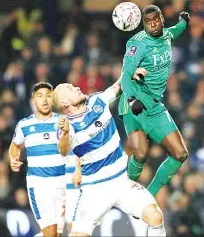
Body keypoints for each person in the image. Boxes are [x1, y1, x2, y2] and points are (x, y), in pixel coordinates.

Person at [51, 68, 166, 237]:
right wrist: (67, 133)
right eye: (70, 89)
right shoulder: (66, 126)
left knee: (155, 217)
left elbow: (116, 87)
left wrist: (130, 75)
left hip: (121, 182)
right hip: (94, 190)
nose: (76, 87)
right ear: (65, 104)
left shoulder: (97, 101)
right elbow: (63, 150)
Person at [118, 5, 191, 196]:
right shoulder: (137, 44)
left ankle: (147, 198)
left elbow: (176, 30)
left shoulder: (167, 35)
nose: (153, 25)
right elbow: (125, 75)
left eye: (156, 20)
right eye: (148, 22)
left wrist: (184, 21)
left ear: (161, 19)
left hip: (155, 105)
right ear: (143, 24)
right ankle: (124, 195)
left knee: (180, 154)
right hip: (134, 102)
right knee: (140, 154)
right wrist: (131, 98)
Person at [9, 82, 65, 237]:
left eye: (48, 95)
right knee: (51, 233)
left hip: (61, 183)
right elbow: (15, 145)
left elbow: (69, 149)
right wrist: (14, 159)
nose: (45, 100)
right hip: (39, 183)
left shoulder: (62, 122)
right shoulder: (25, 125)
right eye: (40, 96)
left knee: (57, 234)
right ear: (33, 101)